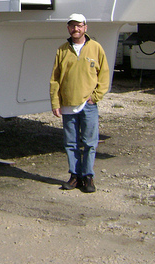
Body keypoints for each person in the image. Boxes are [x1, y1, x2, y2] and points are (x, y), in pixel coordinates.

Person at [49, 13, 110, 193]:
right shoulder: (62, 50)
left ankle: (88, 177)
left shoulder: (96, 48)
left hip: (88, 104)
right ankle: (75, 176)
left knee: (90, 142)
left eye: (79, 26)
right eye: (72, 26)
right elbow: (55, 79)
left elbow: (104, 75)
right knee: (71, 143)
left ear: (85, 27)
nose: (76, 29)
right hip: (67, 104)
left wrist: (96, 96)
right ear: (68, 28)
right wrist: (55, 102)